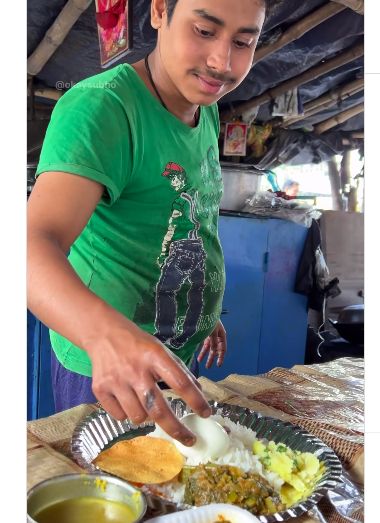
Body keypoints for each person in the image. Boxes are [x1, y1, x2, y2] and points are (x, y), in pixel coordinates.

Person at [27, 0, 266, 446]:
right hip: (111, 369)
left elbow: (182, 215)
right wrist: (106, 338)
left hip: (175, 349)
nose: (222, 62)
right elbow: (28, 245)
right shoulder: (102, 109)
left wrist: (203, 308)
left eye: (243, 42)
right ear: (159, 11)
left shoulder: (205, 103)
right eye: (203, 31)